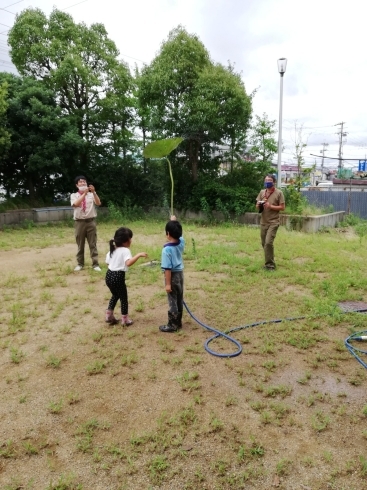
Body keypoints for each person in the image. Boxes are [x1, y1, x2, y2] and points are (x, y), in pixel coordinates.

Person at [105, 227, 148, 326]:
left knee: (115, 295)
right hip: (118, 276)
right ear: (125, 241)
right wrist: (138, 255)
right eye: (130, 238)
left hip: (108, 276)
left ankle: (109, 315)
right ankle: (125, 319)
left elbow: (108, 263)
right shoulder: (125, 250)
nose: (131, 240)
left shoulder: (112, 250)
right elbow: (128, 263)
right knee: (123, 298)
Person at [70, 176, 101, 271]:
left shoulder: (91, 195)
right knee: (80, 244)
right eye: (80, 182)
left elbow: (98, 203)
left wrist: (94, 192)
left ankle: (95, 264)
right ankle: (80, 264)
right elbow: (76, 204)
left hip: (90, 221)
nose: (83, 183)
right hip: (79, 222)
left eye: (84, 182)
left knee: (93, 243)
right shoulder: (74, 195)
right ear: (77, 185)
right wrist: (84, 194)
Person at [159, 215, 185, 333]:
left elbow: (167, 269)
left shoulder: (166, 250)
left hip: (172, 276)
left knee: (172, 300)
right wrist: (174, 221)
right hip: (180, 275)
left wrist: (168, 284)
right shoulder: (181, 242)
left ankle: (173, 325)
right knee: (179, 298)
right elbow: (179, 235)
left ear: (168, 234)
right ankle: (178, 322)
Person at [256, 174, 285, 271]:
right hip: (263, 222)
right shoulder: (262, 192)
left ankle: (270, 265)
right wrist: (260, 204)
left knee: (268, 243)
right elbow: (257, 205)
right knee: (264, 243)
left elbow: (282, 207)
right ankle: (268, 263)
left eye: (269, 180)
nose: (267, 182)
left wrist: (270, 206)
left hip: (274, 222)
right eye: (266, 180)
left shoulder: (279, 193)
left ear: (274, 182)